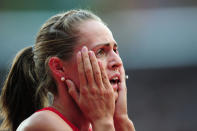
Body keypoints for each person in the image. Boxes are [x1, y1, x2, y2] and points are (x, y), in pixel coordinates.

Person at [0, 9, 135, 131]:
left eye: (115, 50)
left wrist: (121, 120)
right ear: (59, 67)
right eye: (100, 51)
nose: (117, 61)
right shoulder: (43, 124)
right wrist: (103, 121)